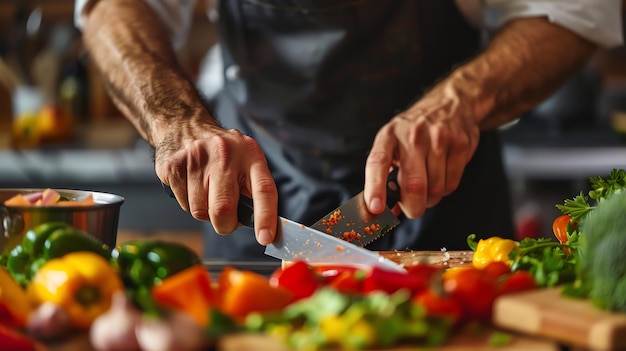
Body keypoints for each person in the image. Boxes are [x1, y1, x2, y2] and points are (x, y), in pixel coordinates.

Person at [74, 0, 622, 260]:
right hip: (254, 200)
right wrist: (178, 121)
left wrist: (460, 101)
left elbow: (574, 11)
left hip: (443, 200)